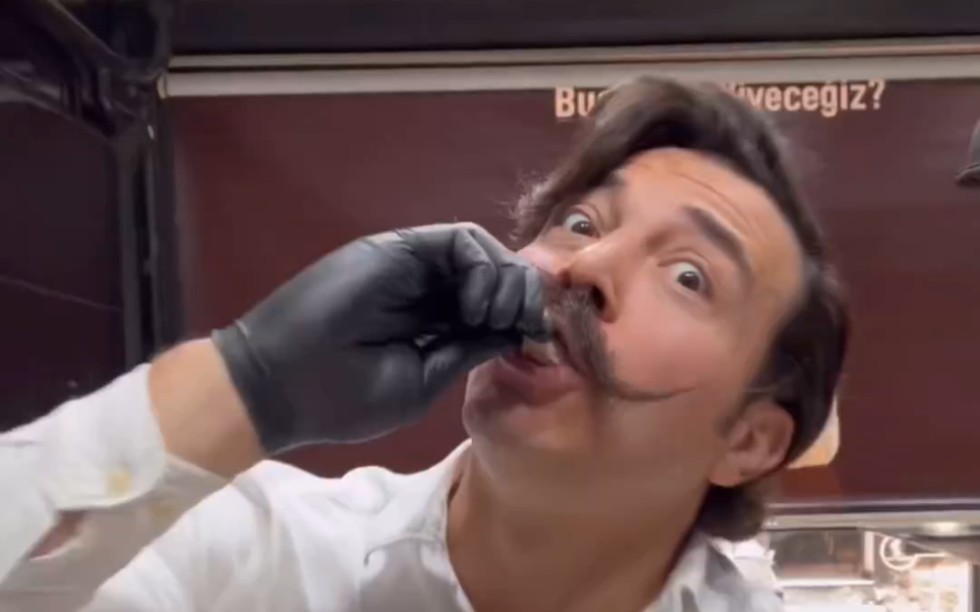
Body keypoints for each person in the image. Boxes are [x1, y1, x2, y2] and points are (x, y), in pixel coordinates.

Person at [0, 77, 848, 611]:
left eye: (689, 276)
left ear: (749, 440)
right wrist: (246, 383)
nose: (584, 265)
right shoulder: (255, 559)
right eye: (583, 223)